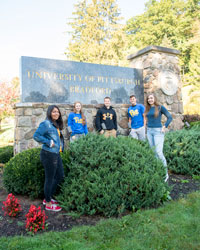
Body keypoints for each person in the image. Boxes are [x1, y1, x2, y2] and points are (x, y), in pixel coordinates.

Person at [33, 105, 64, 212]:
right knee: (50, 178)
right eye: (54, 112)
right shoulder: (46, 124)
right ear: (49, 112)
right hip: (48, 154)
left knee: (60, 175)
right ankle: (48, 203)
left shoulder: (55, 124)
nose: (56, 113)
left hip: (56, 153)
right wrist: (48, 142)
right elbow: (36, 135)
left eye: (58, 112)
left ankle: (48, 197)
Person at [145, 93, 172, 182]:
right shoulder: (148, 108)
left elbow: (169, 117)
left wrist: (165, 126)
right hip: (149, 131)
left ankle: (165, 174)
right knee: (153, 152)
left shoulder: (160, 107)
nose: (150, 100)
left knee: (159, 152)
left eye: (151, 98)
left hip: (158, 132)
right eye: (148, 98)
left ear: (155, 98)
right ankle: (158, 171)